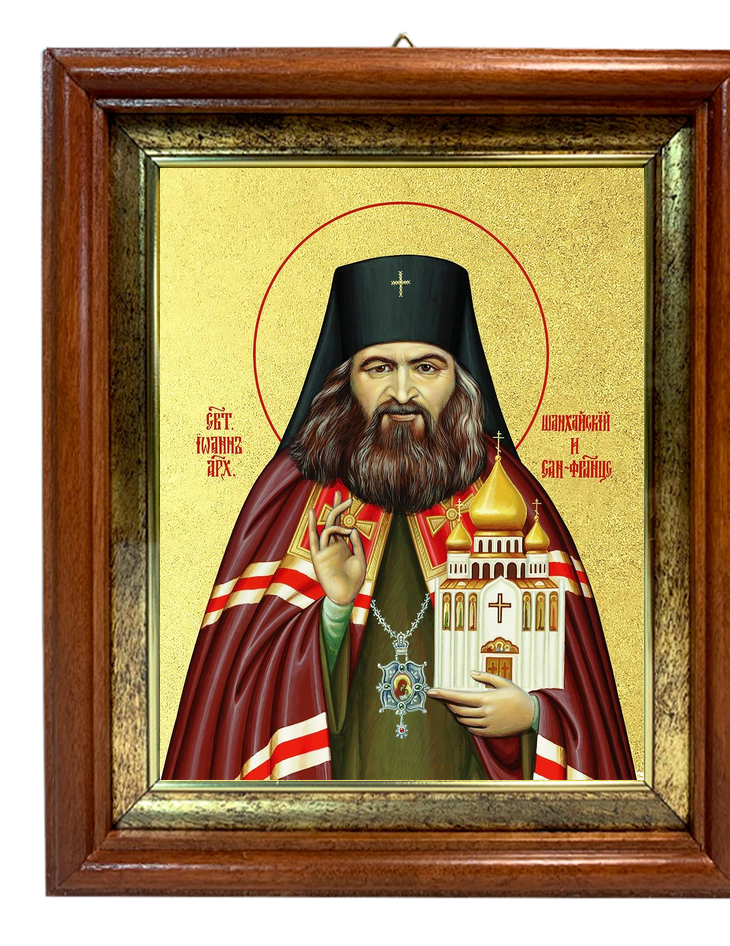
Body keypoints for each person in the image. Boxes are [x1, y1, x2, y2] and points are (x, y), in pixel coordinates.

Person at [163, 254, 635, 782]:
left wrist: (533, 715)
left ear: (460, 380)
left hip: (479, 815)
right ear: (346, 380)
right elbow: (239, 698)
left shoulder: (509, 503)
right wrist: (333, 612)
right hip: (334, 813)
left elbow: (582, 704)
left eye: (427, 367)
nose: (403, 393)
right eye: (379, 368)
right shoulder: (293, 499)